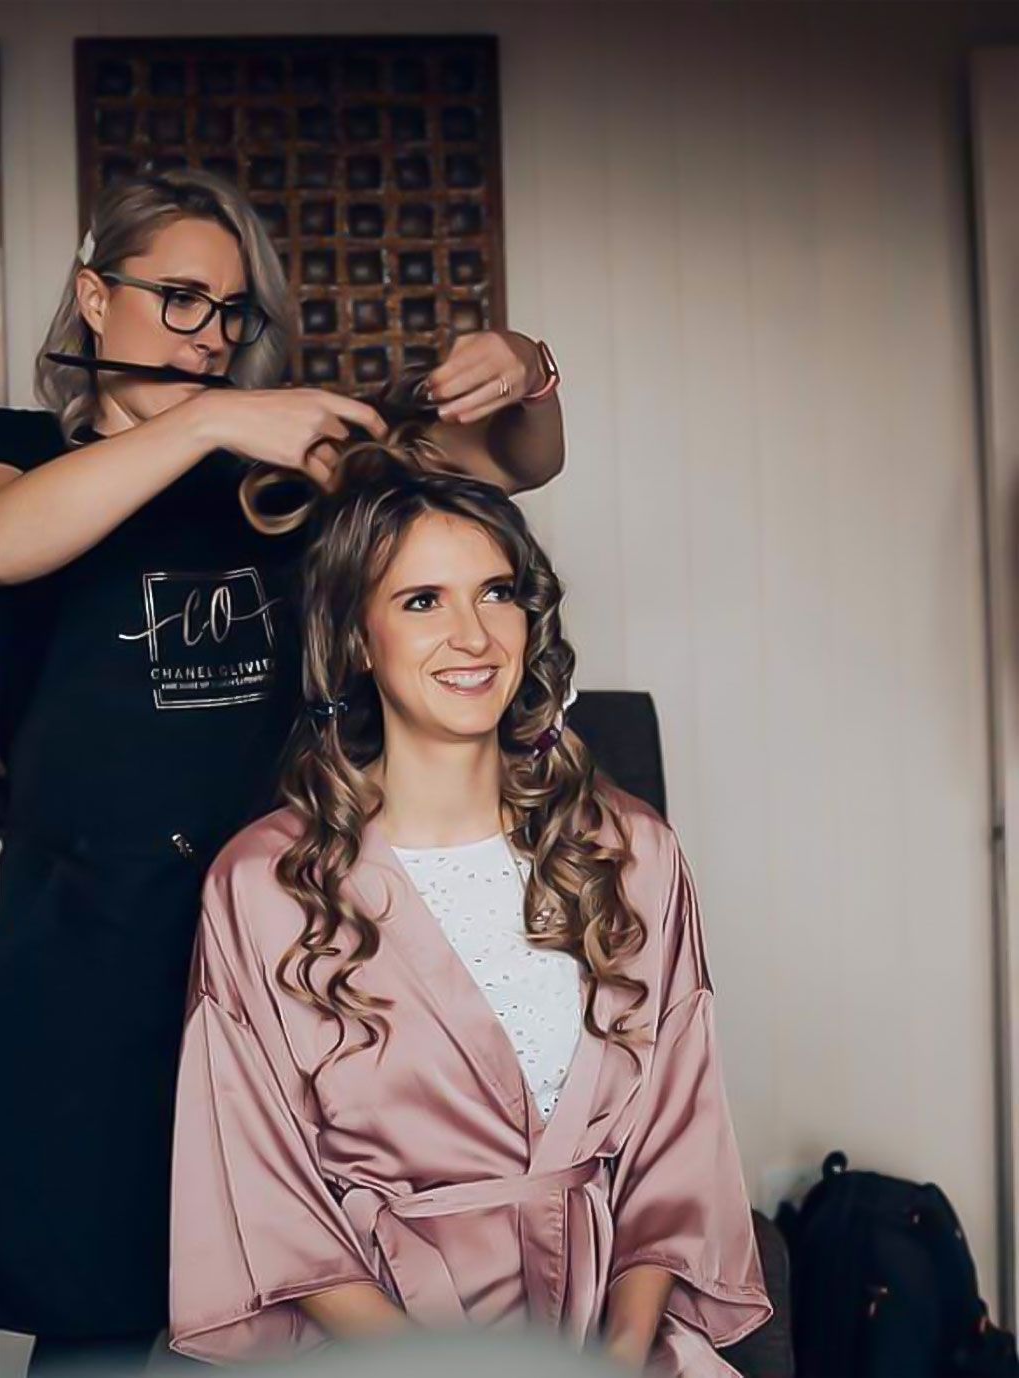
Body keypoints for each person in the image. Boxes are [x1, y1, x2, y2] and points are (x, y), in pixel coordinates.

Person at [0, 167, 565, 1375]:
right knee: (99, 1334)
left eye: (229, 313)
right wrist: (216, 417)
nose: (211, 335)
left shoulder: (286, 466)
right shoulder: (16, 450)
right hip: (78, 974)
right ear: (91, 296)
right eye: (180, 299)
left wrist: (526, 364)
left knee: (283, 1307)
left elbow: (514, 465)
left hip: (276, 962)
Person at [169, 448, 773, 1375]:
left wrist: (612, 1356)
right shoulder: (265, 884)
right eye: (422, 601)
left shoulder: (630, 851)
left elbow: (676, 1144)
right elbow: (262, 1189)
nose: (475, 637)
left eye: (496, 595)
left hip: (613, 1335)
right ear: (357, 638)